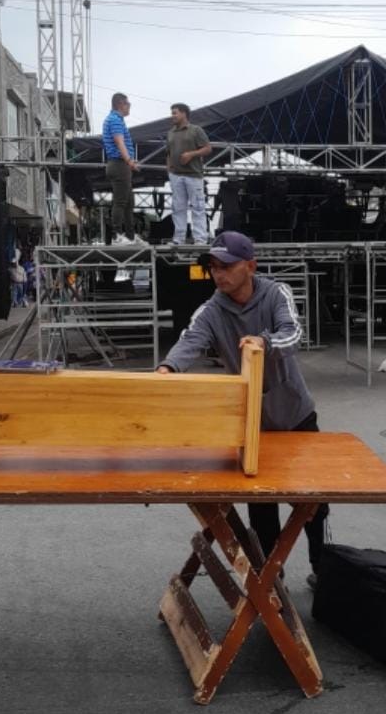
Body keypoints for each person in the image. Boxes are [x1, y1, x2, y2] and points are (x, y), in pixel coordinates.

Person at [155, 230, 328, 588]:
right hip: (252, 421)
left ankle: (324, 569)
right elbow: (190, 340)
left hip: (295, 415)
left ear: (251, 266)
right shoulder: (211, 310)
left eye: (227, 266)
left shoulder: (276, 293)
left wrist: (264, 342)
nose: (218, 274)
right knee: (261, 504)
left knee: (314, 500)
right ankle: (271, 580)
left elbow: (294, 333)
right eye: (213, 267)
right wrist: (167, 369)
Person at [102, 92, 146, 246]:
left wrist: (128, 161)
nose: (129, 107)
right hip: (119, 164)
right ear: (121, 104)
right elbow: (119, 142)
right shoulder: (115, 120)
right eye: (128, 104)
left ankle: (130, 236)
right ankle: (116, 236)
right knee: (121, 202)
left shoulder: (115, 119)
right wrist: (129, 160)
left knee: (128, 202)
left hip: (121, 164)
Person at [166, 103, 211, 245]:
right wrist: (169, 170)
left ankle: (200, 239)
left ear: (184, 113)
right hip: (176, 175)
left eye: (175, 113)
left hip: (194, 175)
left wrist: (191, 154)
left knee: (197, 207)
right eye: (172, 113)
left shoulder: (196, 130)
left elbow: (208, 148)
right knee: (178, 208)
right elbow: (168, 153)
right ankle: (178, 239)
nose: (172, 116)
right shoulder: (170, 133)